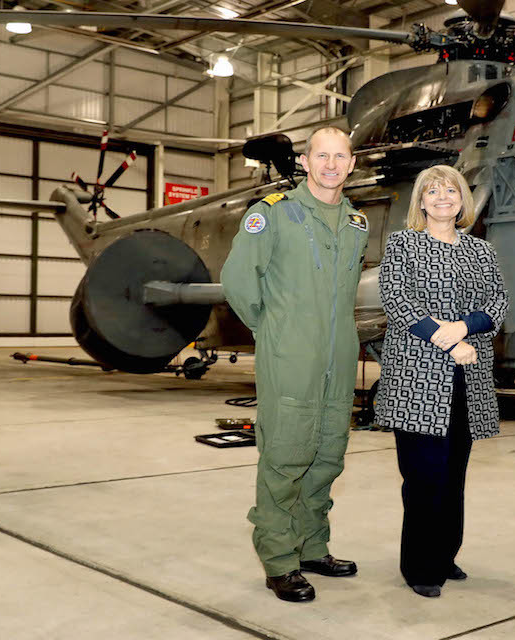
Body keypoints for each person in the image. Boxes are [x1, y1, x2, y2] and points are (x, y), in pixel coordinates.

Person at [221, 126, 368, 603]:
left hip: (339, 359)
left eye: (339, 156)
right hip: (290, 358)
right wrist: (273, 331)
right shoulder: (273, 214)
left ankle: (312, 547)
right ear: (305, 162)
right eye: (321, 156)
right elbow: (240, 281)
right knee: (285, 459)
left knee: (326, 456)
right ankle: (280, 560)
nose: (331, 164)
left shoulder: (356, 223)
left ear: (351, 164)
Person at [376, 164, 509, 598]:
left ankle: (445, 553)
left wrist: (466, 326)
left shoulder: (481, 252)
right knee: (423, 475)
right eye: (431, 191)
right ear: (421, 202)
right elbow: (396, 297)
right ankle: (420, 566)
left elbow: (499, 300)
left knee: (454, 474)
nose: (442, 197)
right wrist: (447, 338)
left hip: (467, 381)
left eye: (449, 190)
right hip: (417, 378)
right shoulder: (404, 244)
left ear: (462, 200)